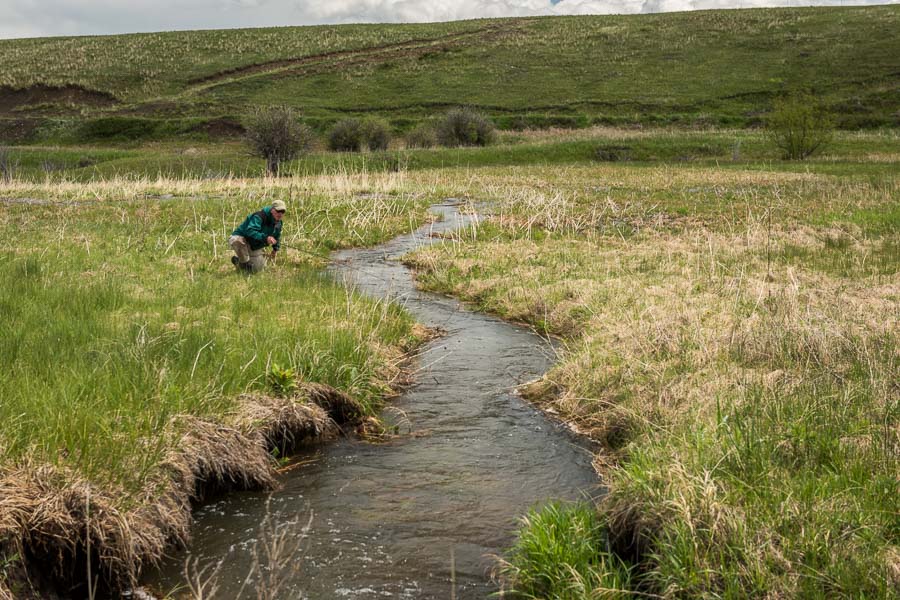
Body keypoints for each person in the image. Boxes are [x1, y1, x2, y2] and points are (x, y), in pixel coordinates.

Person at [229, 199, 286, 273]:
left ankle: (238, 262)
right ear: (272, 210)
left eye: (283, 212)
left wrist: (275, 249)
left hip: (254, 245)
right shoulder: (259, 216)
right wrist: (266, 238)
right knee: (236, 241)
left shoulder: (279, 223)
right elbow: (250, 231)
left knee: (256, 270)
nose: (280, 214)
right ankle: (244, 261)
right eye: (278, 211)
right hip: (241, 238)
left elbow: (277, 236)